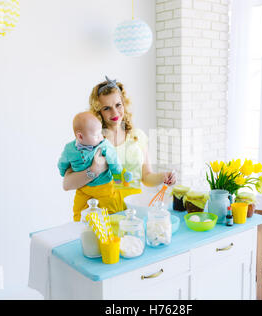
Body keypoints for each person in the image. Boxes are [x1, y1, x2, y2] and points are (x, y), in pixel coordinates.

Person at [62, 76, 177, 217]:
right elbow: (67, 184)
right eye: (107, 108)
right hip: (103, 213)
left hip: (134, 209)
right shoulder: (91, 141)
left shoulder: (137, 136)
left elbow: (146, 177)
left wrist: (163, 177)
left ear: (124, 104)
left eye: (118, 105)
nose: (115, 113)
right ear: (99, 112)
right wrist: (93, 171)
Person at [58, 111, 127, 221]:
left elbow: (113, 159)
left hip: (104, 186)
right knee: (79, 212)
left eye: (101, 133)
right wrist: (63, 171)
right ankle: (80, 226)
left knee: (111, 207)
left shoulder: (103, 145)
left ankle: (113, 224)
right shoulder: (69, 149)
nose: (101, 137)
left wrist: (117, 174)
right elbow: (62, 163)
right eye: (97, 135)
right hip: (83, 189)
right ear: (80, 136)